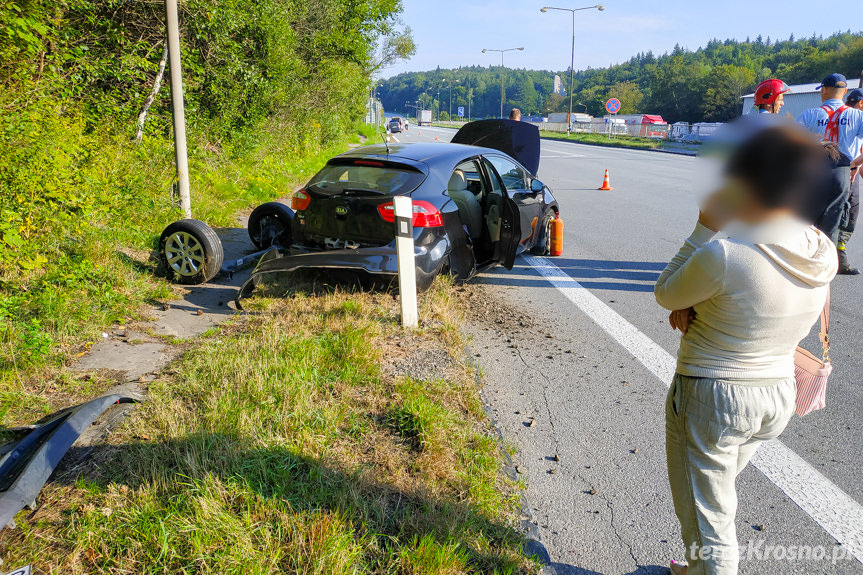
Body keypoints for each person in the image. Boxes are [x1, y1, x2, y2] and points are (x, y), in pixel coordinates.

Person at [655, 123, 838, 575]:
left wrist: (703, 228)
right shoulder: (821, 248)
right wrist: (699, 302)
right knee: (714, 498)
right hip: (776, 394)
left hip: (715, 397)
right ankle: (696, 568)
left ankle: (711, 568)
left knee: (712, 517)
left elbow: (666, 293)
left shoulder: (724, 255)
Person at [797, 73, 863, 273]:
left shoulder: (809, 114)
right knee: (835, 219)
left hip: (815, 170)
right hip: (843, 172)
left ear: (823, 90)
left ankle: (804, 263)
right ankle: (825, 268)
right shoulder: (857, 115)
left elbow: (791, 145)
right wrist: (854, 164)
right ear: (844, 92)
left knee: (808, 217)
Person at [837, 88, 863, 274]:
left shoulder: (838, 117)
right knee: (849, 216)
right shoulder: (857, 118)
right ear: (861, 103)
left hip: (829, 170)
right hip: (847, 171)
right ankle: (839, 260)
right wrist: (855, 165)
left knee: (835, 215)